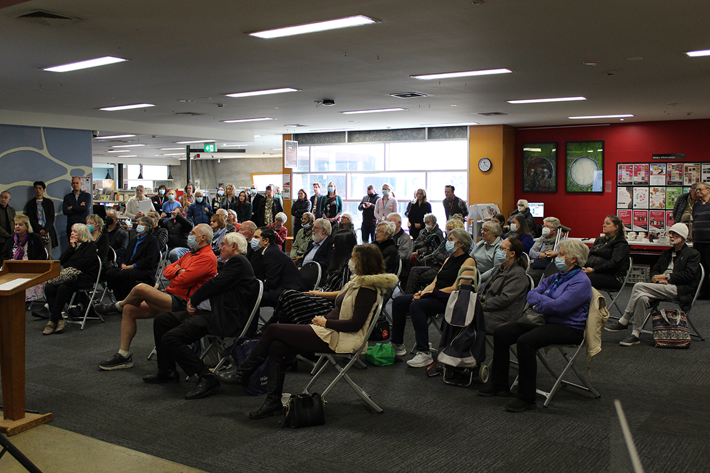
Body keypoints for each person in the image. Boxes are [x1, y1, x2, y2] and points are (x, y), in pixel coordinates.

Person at [231, 244, 397, 420]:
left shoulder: (367, 289)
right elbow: (341, 294)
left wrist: (326, 322)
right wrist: (317, 294)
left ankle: (243, 373)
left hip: (339, 337)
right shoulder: (359, 281)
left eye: (354, 258)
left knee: (273, 329)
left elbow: (355, 325)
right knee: (277, 346)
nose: (350, 261)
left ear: (363, 262)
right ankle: (272, 401)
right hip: (329, 331)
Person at [479, 240, 592, 413]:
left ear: (573, 259)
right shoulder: (558, 276)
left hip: (569, 327)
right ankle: (499, 385)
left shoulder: (581, 282)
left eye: (561, 254)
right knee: (502, 333)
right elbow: (531, 294)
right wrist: (547, 301)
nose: (557, 257)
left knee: (526, 341)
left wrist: (540, 304)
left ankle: (526, 397)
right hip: (545, 320)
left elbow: (560, 307)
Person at [147, 233, 259, 399]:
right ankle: (167, 370)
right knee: (162, 320)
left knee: (171, 338)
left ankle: (206, 377)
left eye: (223, 244)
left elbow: (213, 285)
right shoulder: (233, 263)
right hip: (211, 313)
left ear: (234, 246)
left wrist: (194, 300)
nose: (220, 248)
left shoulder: (239, 262)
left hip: (222, 317)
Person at [96, 224, 218, 370]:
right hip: (170, 296)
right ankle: (124, 355)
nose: (189, 236)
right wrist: (179, 271)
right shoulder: (189, 254)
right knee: (129, 310)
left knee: (141, 288)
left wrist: (177, 273)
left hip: (184, 303)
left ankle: (117, 306)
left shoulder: (207, 257)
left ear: (203, 237)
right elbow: (167, 270)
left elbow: (184, 279)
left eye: (192, 233)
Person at [604, 223, 701, 345]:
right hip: (660, 287)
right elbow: (655, 270)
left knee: (638, 286)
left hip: (679, 289)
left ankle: (624, 320)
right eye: (670, 233)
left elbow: (689, 275)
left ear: (682, 236)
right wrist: (658, 279)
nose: (671, 236)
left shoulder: (693, 254)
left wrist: (667, 277)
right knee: (642, 298)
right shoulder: (666, 253)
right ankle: (635, 334)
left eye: (674, 234)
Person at [391, 228, 476, 367]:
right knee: (399, 301)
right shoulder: (449, 259)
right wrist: (422, 292)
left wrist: (429, 294)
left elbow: (457, 288)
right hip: (435, 295)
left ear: (461, 243)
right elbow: (434, 282)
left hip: (450, 299)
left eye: (451, 239)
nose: (447, 242)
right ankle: (397, 344)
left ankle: (424, 352)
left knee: (417, 306)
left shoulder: (469, 261)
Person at [274, 230, 358, 325]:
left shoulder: (348, 266)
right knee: (287, 299)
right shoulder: (337, 262)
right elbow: (327, 286)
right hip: (323, 295)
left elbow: (343, 293)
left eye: (335, 243)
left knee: (288, 296)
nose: (333, 246)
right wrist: (317, 292)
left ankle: (276, 324)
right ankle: (282, 326)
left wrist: (317, 293)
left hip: (330, 303)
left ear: (343, 245)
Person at [42, 224, 99, 335]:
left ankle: (52, 320)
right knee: (49, 287)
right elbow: (62, 261)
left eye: (75, 231)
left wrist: (69, 264)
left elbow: (82, 264)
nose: (72, 233)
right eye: (72, 231)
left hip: (84, 278)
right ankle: (58, 318)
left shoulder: (90, 246)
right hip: (69, 277)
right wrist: (71, 248)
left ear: (82, 233)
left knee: (62, 288)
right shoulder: (72, 246)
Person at [104, 216, 161, 301]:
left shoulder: (152, 241)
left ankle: (127, 299)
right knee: (110, 273)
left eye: (142, 224)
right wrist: (122, 263)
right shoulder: (135, 239)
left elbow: (149, 260)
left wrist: (132, 266)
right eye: (139, 224)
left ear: (148, 227)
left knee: (122, 275)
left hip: (143, 269)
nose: (139, 226)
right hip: (128, 266)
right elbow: (124, 253)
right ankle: (120, 299)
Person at [479, 237, 530, 331]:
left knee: (463, 317)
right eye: (499, 248)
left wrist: (480, 305)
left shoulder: (517, 274)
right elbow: (485, 290)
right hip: (489, 309)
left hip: (501, 316)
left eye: (502, 248)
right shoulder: (499, 268)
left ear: (512, 254)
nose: (498, 251)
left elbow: (504, 299)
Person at [406, 218, 464, 294]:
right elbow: (435, 253)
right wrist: (439, 257)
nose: (448, 231)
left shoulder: (457, 245)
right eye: (447, 229)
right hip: (436, 265)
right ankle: (409, 295)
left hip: (444, 269)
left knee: (418, 277)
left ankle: (415, 296)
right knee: (414, 270)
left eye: (450, 229)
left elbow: (446, 258)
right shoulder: (446, 240)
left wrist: (439, 257)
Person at [251, 227, 306, 307]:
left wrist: (253, 287)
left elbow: (271, 283)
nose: (253, 240)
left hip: (288, 292)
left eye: (256, 237)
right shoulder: (271, 250)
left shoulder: (271, 254)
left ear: (266, 241)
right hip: (284, 287)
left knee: (249, 295)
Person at [1, 215, 47, 302]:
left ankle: (21, 301)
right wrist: (9, 262)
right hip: (13, 268)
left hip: (30, 269)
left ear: (27, 226)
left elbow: (42, 255)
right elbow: (3, 255)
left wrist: (33, 264)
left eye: (20, 224)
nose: (17, 227)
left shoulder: (35, 238)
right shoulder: (11, 239)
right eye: (16, 224)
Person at [582, 215, 630, 290]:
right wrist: (583, 267)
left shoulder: (621, 244)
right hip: (593, 272)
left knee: (583, 280)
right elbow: (589, 256)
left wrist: (594, 270)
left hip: (612, 277)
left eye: (608, 223)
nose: (604, 225)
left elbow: (614, 264)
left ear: (616, 227)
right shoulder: (599, 240)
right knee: (569, 275)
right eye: (604, 223)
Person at [25, 181, 57, 256]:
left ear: (43, 190)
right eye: (36, 188)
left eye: (40, 188)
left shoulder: (49, 202)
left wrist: (45, 229)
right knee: (36, 253)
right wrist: (39, 229)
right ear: (34, 190)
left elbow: (51, 217)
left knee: (48, 253)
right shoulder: (30, 204)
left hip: (47, 230)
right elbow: (31, 218)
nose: (38, 190)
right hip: (36, 230)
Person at [528, 216, 563, 282]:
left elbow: (565, 254)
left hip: (550, 267)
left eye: (547, 226)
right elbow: (531, 252)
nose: (544, 228)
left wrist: (556, 253)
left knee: (533, 276)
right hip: (536, 264)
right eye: (544, 226)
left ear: (554, 229)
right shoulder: (541, 239)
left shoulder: (561, 240)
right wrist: (540, 254)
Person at [470, 221, 503, 285]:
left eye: (485, 230)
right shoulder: (481, 243)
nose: (482, 232)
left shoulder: (500, 247)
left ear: (494, 233)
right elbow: (470, 258)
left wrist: (478, 278)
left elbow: (496, 268)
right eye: (482, 229)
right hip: (474, 273)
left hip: (489, 277)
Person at [692, 182, 710, 298]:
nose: (698, 192)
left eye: (700, 189)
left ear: (708, 190)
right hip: (698, 241)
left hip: (708, 241)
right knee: (701, 268)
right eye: (697, 190)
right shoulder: (696, 206)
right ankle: (704, 292)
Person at [62, 177, 92, 243]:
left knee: (83, 244)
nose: (75, 185)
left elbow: (85, 208)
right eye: (74, 183)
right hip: (71, 225)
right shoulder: (67, 197)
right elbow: (65, 211)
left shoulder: (87, 196)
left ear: (81, 184)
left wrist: (72, 207)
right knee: (72, 245)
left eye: (77, 183)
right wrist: (79, 208)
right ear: (71, 184)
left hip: (83, 225)